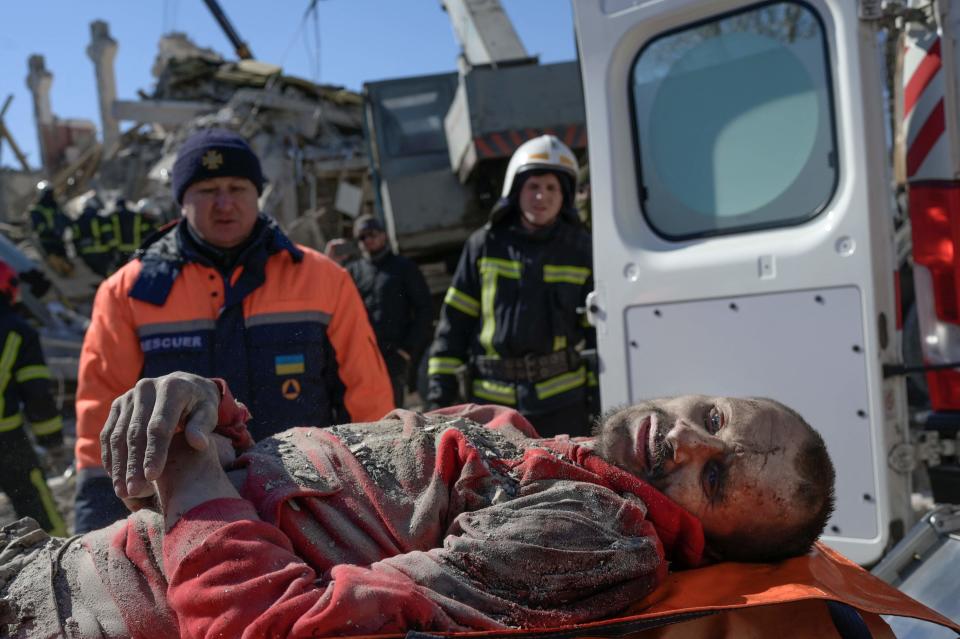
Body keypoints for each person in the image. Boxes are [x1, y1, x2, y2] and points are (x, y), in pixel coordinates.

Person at [28, 371, 826, 638]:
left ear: (715, 547)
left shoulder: (601, 532)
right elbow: (311, 491)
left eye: (714, 480)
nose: (685, 437)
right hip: (56, 569)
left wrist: (189, 473)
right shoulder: (537, 448)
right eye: (716, 417)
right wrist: (205, 410)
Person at [72, 128, 393, 534]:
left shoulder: (324, 280)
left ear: (257, 194)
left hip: (313, 506)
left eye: (236, 187)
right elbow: (102, 416)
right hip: (185, 519)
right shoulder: (127, 293)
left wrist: (384, 494)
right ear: (181, 198)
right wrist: (97, 520)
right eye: (207, 190)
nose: (224, 204)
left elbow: (369, 401)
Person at [427, 135, 596, 437]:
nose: (541, 197)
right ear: (516, 190)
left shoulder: (582, 249)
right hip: (493, 407)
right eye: (533, 186)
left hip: (563, 406)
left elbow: (595, 331)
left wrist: (597, 398)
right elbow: (455, 322)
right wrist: (440, 392)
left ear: (565, 195)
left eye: (551, 188)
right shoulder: (485, 244)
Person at [0, 260, 66, 537]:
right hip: (7, 438)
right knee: (34, 499)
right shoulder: (17, 330)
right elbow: (37, 394)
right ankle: (60, 556)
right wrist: (51, 442)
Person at [347, 215, 433, 406]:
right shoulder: (352, 272)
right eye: (362, 237)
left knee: (394, 414)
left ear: (384, 235)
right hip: (362, 359)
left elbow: (425, 310)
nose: (368, 240)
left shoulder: (404, 268)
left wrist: (407, 350)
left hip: (394, 357)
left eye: (372, 234)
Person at [27, 181, 72, 276]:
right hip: (47, 242)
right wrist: (50, 231)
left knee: (67, 266)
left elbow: (65, 219)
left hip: (59, 240)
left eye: (50, 192)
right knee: (56, 266)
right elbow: (38, 227)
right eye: (47, 193)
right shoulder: (36, 209)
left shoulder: (55, 206)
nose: (50, 195)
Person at [70, 192, 117, 278]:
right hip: (101, 254)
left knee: (91, 278)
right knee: (105, 278)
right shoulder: (101, 219)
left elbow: (75, 239)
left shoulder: (78, 221)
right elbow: (108, 236)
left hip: (86, 256)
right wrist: (113, 251)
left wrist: (78, 254)